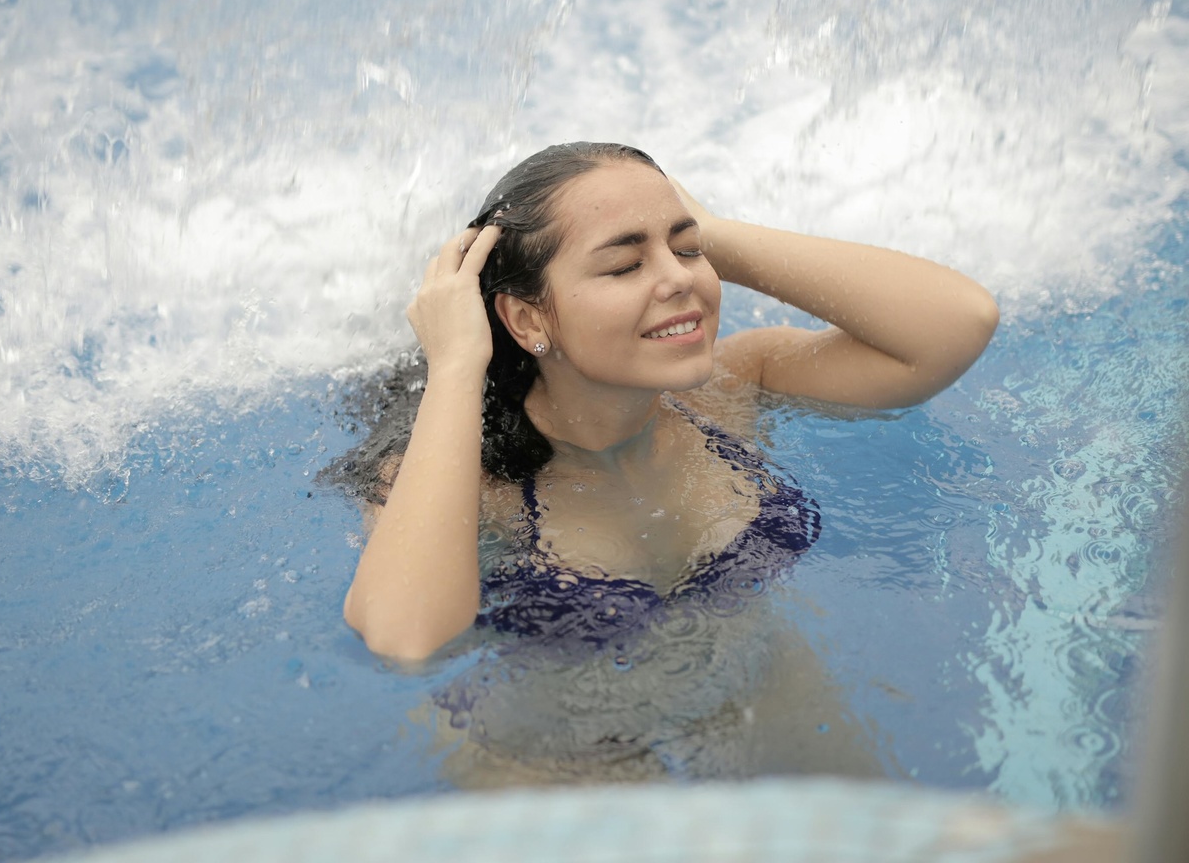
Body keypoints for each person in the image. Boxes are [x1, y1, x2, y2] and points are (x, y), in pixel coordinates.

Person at [338, 141, 998, 781]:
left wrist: (714, 234)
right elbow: (407, 640)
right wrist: (457, 360)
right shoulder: (462, 479)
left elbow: (956, 324)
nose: (680, 277)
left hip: (753, 686)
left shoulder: (733, 390)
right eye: (626, 266)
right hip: (555, 749)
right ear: (526, 318)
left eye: (686, 252)